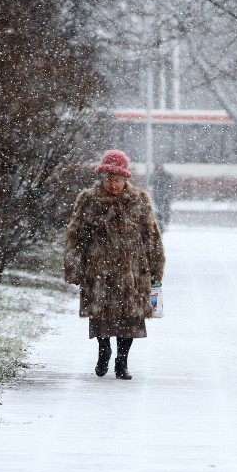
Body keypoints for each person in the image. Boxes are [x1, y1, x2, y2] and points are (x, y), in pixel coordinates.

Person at [64, 150, 165, 380]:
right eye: (109, 179)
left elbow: (151, 235)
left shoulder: (139, 200)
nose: (113, 185)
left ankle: (122, 362)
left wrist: (156, 266)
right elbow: (76, 235)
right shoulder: (89, 200)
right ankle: (104, 351)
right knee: (101, 315)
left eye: (117, 180)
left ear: (125, 179)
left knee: (130, 317)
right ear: (102, 178)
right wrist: (74, 266)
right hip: (99, 268)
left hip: (132, 270)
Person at [149, 163, 175, 231]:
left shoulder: (167, 175)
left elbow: (171, 185)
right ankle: (159, 223)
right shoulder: (153, 175)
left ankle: (166, 224)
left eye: (159, 169)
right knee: (158, 210)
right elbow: (150, 184)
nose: (157, 171)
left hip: (166, 196)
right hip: (157, 196)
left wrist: (168, 194)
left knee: (166, 210)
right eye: (156, 170)